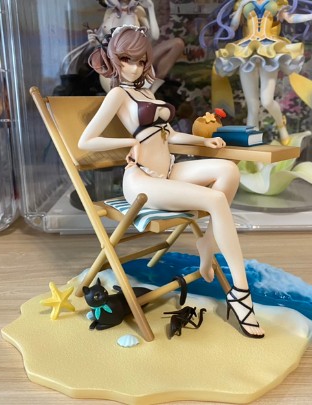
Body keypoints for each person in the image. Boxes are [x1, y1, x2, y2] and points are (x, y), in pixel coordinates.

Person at [79, 25, 265, 338]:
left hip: (168, 170)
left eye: (140, 61)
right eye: (126, 59)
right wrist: (128, 143)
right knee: (215, 199)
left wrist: (204, 141)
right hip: (142, 180)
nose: (134, 67)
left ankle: (208, 242)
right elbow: (86, 141)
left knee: (229, 170)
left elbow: (170, 135)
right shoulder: (118, 94)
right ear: (113, 58)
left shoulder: (146, 92)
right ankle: (241, 294)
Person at [200, 0, 312, 145]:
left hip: (268, 49)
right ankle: (252, 144)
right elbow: (233, 26)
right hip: (246, 50)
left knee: (267, 100)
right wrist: (241, 6)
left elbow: (289, 18)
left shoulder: (276, 2)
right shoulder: (242, 2)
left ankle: (281, 127)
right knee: (252, 105)